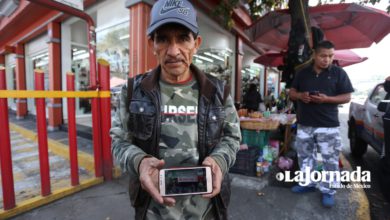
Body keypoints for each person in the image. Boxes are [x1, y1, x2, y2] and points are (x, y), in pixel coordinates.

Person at [110, 0, 241, 219]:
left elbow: (232, 137)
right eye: (163, 39)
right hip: (152, 211)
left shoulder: (217, 92)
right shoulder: (133, 91)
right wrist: (139, 162)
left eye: (183, 38)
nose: (173, 51)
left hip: (207, 210)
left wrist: (219, 160)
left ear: (196, 43)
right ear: (152, 44)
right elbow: (119, 141)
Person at [288, 40, 354, 208]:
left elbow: (347, 97)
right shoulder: (302, 73)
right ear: (315, 55)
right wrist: (301, 96)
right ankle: (308, 184)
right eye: (323, 56)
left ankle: (328, 190)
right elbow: (292, 92)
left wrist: (327, 99)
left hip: (328, 126)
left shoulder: (339, 73)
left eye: (331, 56)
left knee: (330, 160)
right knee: (304, 157)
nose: (327, 59)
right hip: (305, 124)